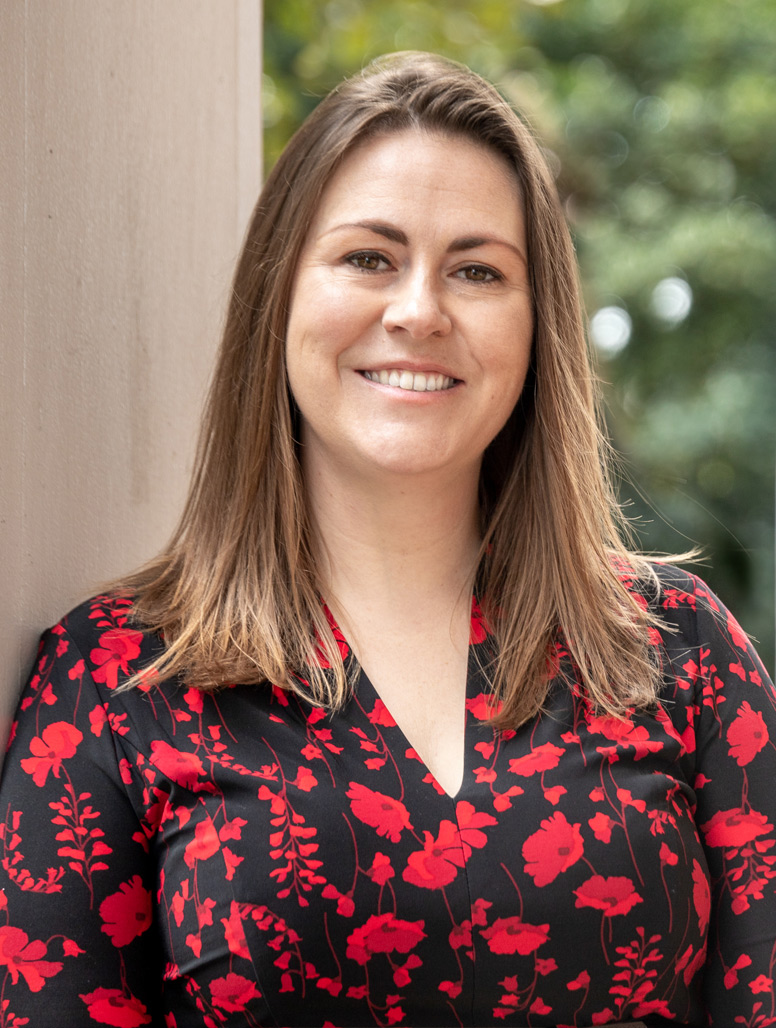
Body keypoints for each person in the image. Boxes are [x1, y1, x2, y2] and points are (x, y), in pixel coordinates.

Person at [0, 51, 772, 1028]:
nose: (418, 310)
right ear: (275, 297)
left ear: (538, 329)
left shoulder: (678, 650)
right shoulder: (113, 684)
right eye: (367, 256)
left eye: (477, 270)